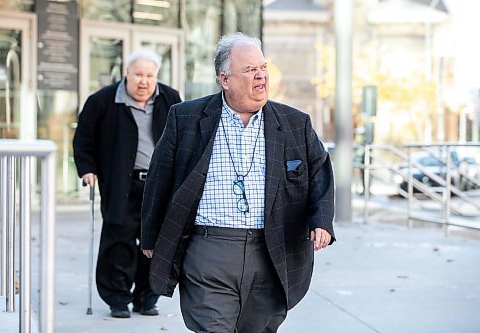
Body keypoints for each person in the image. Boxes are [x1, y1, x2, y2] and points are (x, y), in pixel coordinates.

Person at [141, 32, 335, 332]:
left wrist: (320, 221)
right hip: (209, 249)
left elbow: (319, 172)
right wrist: (152, 237)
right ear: (225, 79)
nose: (260, 76)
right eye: (249, 70)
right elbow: (159, 178)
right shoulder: (186, 118)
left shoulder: (295, 123)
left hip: (272, 250)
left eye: (263, 68)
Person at [73, 49, 182, 318]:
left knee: (154, 244)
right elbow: (83, 138)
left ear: (156, 76)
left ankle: (147, 298)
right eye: (138, 75)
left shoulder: (170, 99)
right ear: (127, 73)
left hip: (157, 186)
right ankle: (118, 299)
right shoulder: (103, 100)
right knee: (118, 243)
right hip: (119, 183)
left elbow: (184, 138)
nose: (143, 81)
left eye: (149, 75)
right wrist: (87, 169)